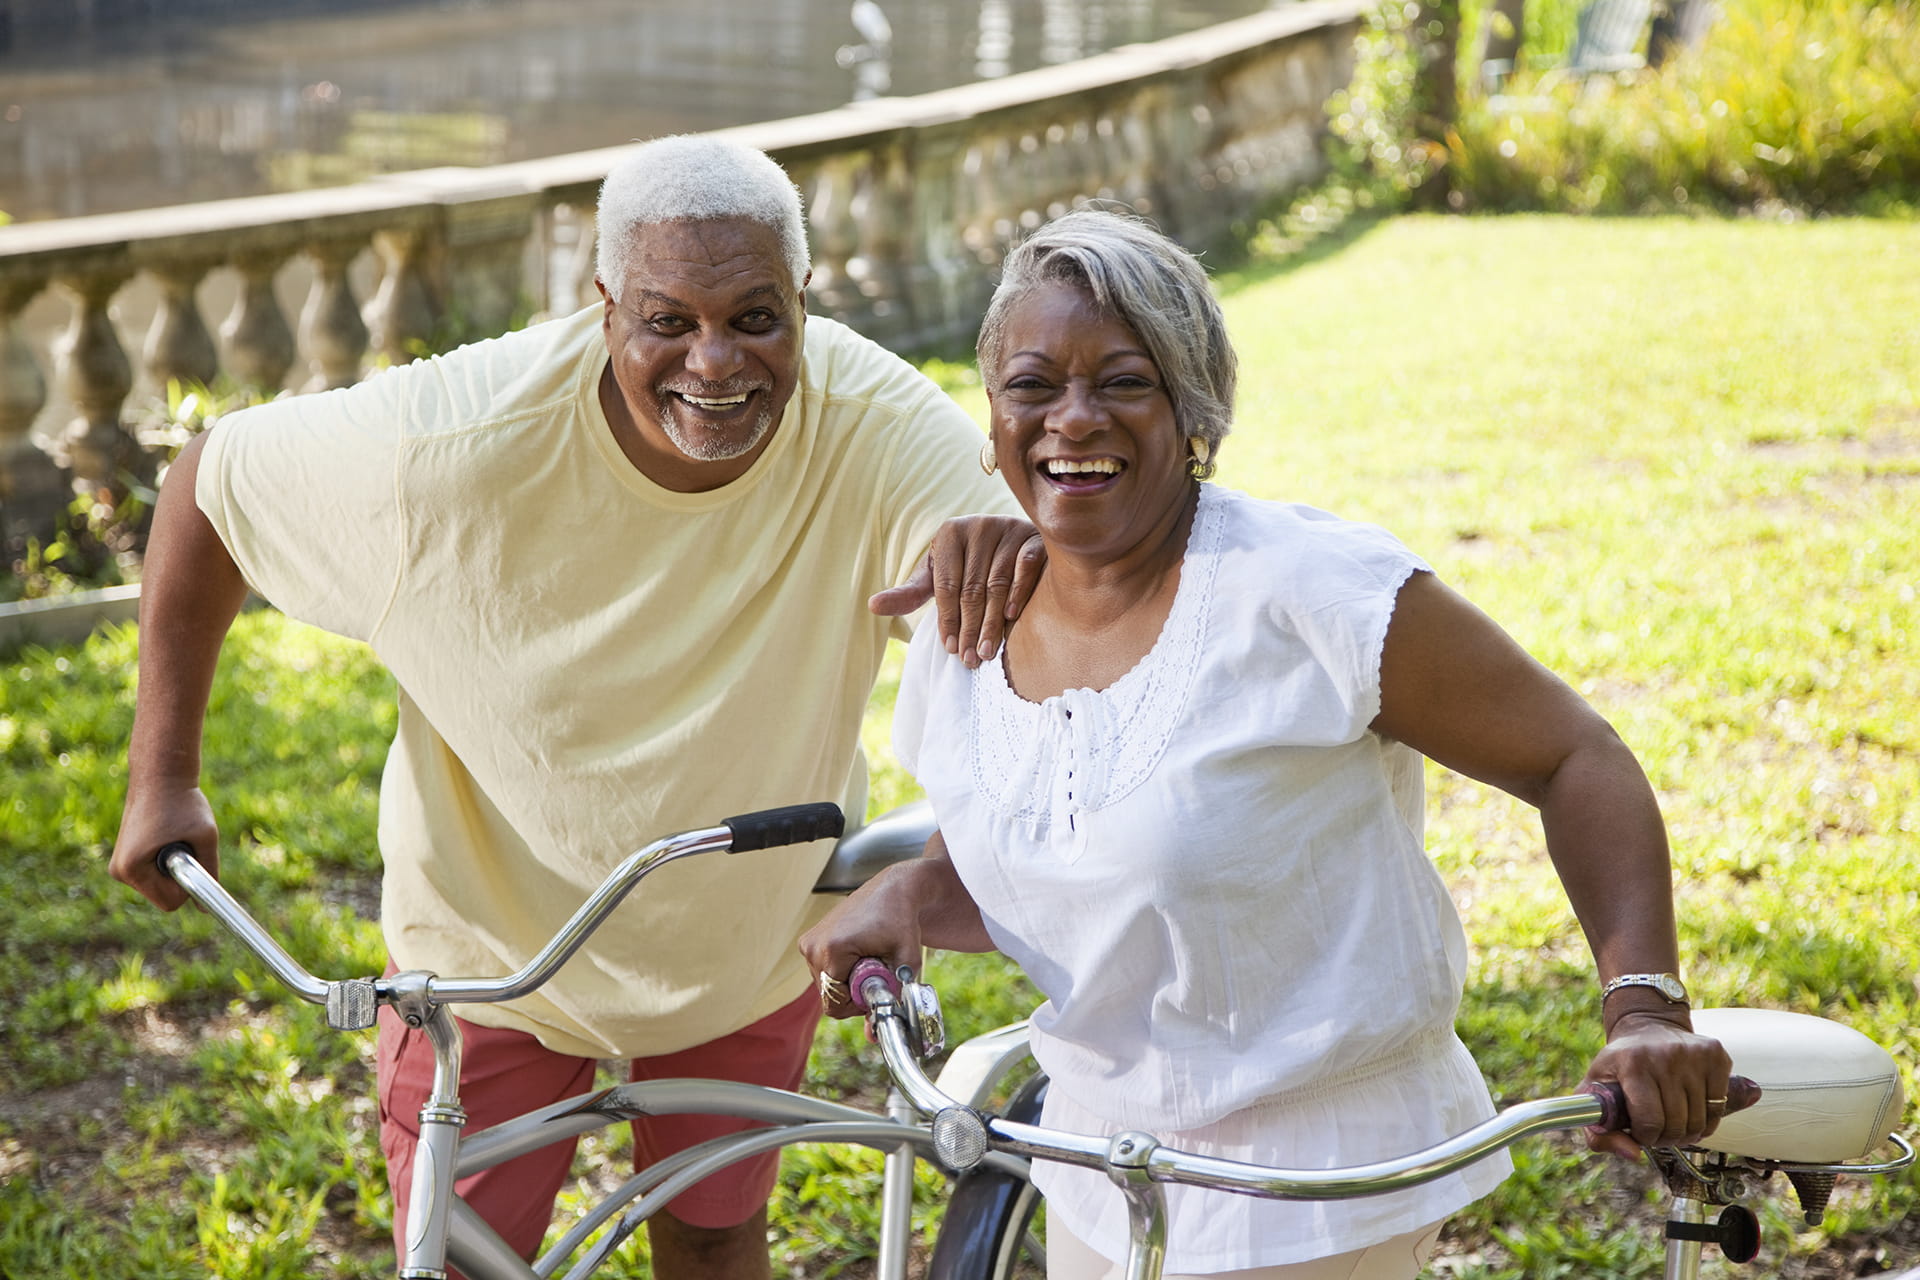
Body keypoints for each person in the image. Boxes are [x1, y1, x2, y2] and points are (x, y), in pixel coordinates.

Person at [109, 135, 1041, 1279]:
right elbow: (213, 482)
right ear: (603, 306)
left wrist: (1020, 546)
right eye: (668, 320)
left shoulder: (870, 422)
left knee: (710, 1233)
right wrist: (162, 775)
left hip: (738, 945)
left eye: (756, 317)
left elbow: (1035, 592)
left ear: (804, 301)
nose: (716, 362)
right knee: (461, 1260)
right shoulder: (449, 445)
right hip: (488, 956)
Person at [800, 209, 1733, 1280]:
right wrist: (914, 897)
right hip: (1097, 1161)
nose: (1073, 417)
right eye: (1032, 385)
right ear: (993, 415)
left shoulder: (1306, 592)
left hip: (1319, 1184)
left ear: (1194, 409)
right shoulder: (966, 624)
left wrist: (1646, 1004)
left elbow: (1574, 754)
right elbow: (1065, 857)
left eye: (1124, 380)